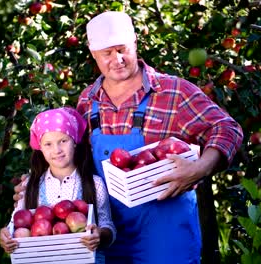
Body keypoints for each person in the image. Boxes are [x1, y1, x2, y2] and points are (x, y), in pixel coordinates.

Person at [14, 11, 243, 264]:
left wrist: (199, 168)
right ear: (93, 54)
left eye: (122, 49)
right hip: (105, 237)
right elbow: (73, 162)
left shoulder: (173, 92)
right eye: (107, 53)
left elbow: (227, 129)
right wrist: (38, 187)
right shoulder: (87, 102)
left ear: (135, 42)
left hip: (165, 239)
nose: (118, 59)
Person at [0, 107, 116, 262]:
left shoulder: (94, 183)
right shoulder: (29, 185)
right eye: (48, 144)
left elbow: (108, 225)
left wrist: (99, 235)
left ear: (74, 141)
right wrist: (7, 235)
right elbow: (16, 224)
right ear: (40, 147)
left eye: (63, 141)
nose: (57, 150)